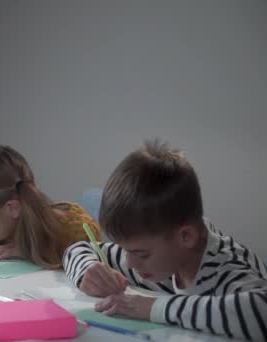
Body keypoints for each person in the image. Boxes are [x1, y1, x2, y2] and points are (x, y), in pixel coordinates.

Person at [63, 140, 267, 341]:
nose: (129, 263)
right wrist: (87, 270)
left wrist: (153, 308)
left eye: (141, 254)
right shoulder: (159, 254)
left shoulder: (225, 267)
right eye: (126, 250)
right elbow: (77, 248)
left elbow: (262, 312)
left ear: (186, 237)